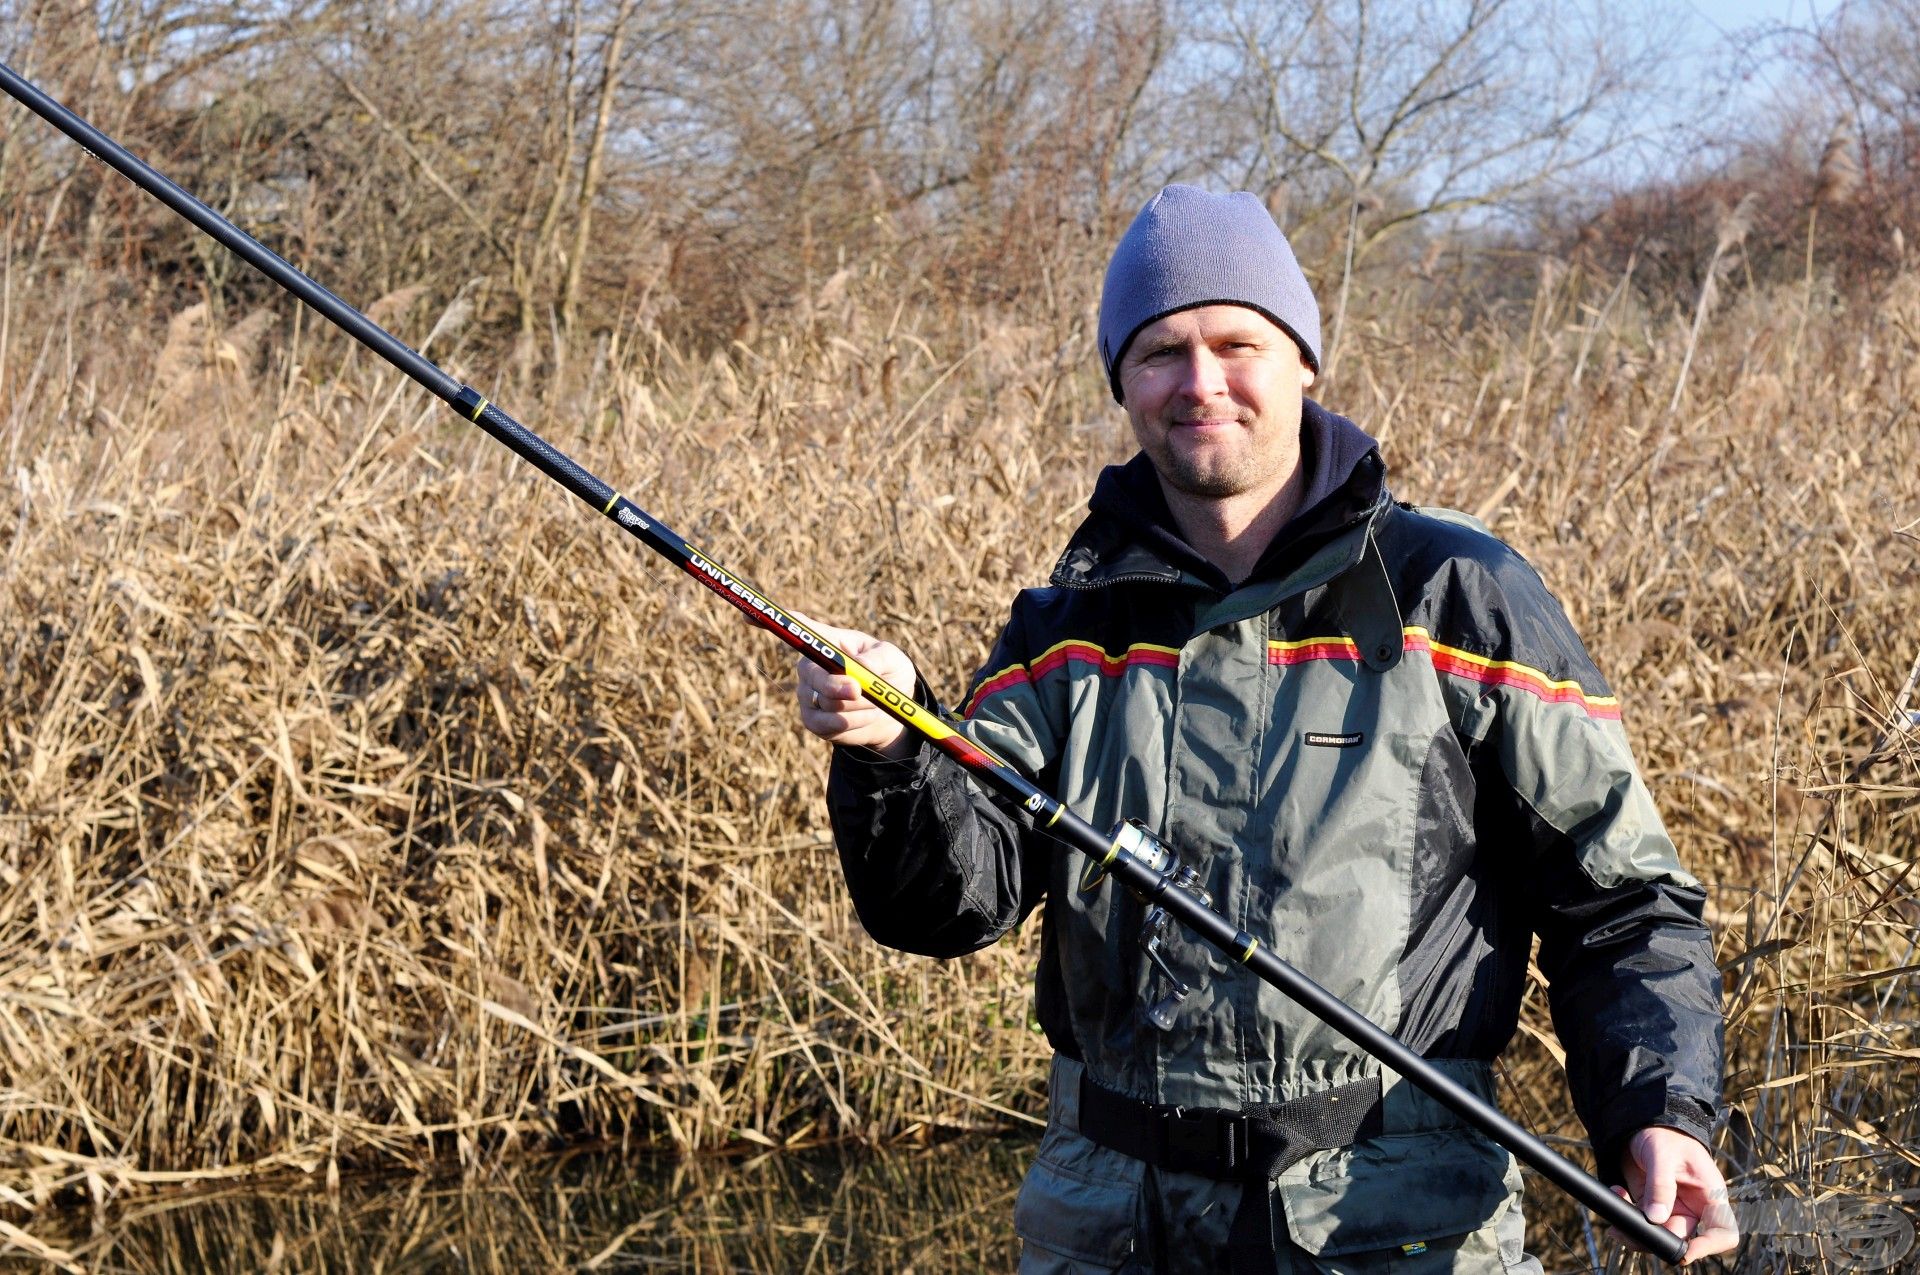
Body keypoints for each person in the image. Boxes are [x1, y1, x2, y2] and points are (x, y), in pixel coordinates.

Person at [793, 185, 1738, 1273]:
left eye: (1236, 343)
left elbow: (1620, 900)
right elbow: (951, 906)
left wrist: (1657, 1116)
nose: (1201, 383)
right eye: (1160, 353)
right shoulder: (1063, 630)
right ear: (1123, 385)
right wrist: (894, 749)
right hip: (1113, 1228)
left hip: (1400, 1227)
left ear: (1303, 363)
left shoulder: (1457, 595)